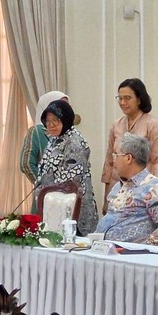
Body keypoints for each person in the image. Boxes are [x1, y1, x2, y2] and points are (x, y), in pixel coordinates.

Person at [101, 78, 158, 214]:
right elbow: (109, 162)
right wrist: (106, 199)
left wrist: (154, 197)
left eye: (127, 98)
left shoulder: (153, 125)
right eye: (119, 98)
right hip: (118, 192)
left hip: (143, 194)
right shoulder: (116, 125)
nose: (122, 102)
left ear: (139, 99)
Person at [96, 134, 158, 245]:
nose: (113, 161)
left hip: (133, 256)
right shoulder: (117, 187)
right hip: (103, 249)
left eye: (116, 155)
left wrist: (141, 248)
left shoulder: (156, 188)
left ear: (128, 158)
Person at [35, 100, 98, 235]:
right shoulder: (55, 139)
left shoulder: (75, 142)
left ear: (66, 119)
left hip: (72, 212)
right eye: (48, 121)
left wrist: (47, 195)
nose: (51, 125)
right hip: (53, 207)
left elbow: (70, 183)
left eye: (56, 120)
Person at [20, 91, 69, 184]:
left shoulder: (69, 132)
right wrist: (43, 186)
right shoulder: (36, 132)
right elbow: (26, 164)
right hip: (46, 194)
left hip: (70, 193)